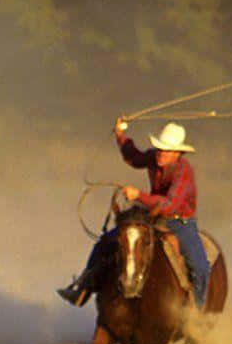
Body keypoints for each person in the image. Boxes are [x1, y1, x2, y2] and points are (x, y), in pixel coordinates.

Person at [57, 117, 210, 308]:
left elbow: (169, 204)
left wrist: (138, 195)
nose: (161, 153)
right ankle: (82, 289)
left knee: (200, 267)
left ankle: (197, 313)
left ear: (177, 153)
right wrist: (121, 135)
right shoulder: (154, 158)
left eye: (166, 150)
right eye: (160, 148)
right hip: (153, 216)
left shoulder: (184, 172)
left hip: (180, 223)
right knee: (105, 243)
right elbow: (133, 157)